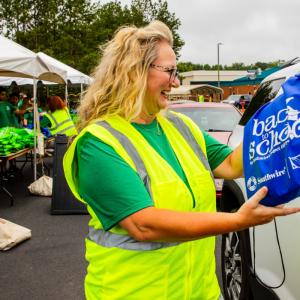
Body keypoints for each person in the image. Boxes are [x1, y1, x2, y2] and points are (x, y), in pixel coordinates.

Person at [63, 21, 300, 300]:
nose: (176, 82)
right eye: (170, 71)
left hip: (200, 292)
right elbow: (144, 224)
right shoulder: (99, 143)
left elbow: (234, 164)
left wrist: (288, 115)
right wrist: (237, 220)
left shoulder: (180, 126)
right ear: (133, 72)